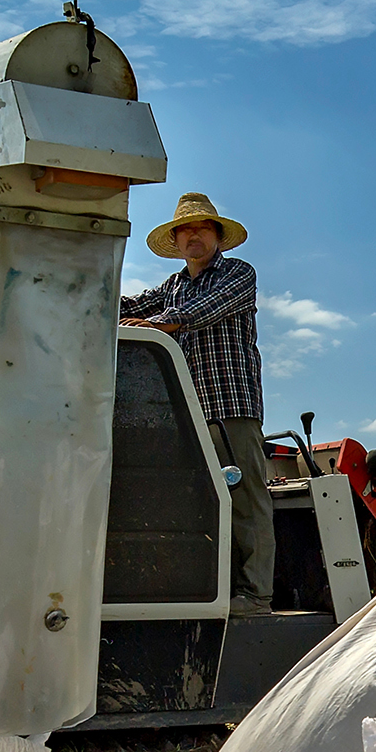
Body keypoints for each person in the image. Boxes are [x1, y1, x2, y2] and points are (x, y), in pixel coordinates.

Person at [123, 191, 273, 615]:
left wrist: (155, 323)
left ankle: (257, 593)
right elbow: (128, 306)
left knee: (246, 499)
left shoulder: (238, 274)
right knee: (205, 500)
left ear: (217, 236)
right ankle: (219, 588)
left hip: (232, 404)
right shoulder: (171, 286)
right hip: (191, 413)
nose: (193, 236)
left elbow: (199, 311)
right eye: (185, 229)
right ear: (176, 239)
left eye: (202, 227)